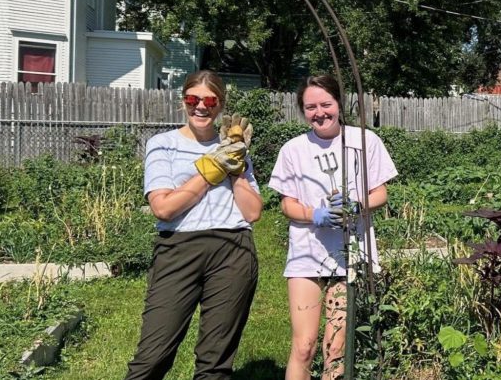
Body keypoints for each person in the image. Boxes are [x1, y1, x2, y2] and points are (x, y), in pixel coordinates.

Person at [126, 70, 263, 380]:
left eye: (210, 100)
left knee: (215, 363)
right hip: (179, 249)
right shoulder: (164, 144)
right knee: (153, 356)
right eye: (192, 99)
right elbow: (163, 207)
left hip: (233, 249)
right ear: (182, 101)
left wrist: (237, 167)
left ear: (221, 104)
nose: (201, 107)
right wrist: (211, 168)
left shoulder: (233, 145)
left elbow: (253, 212)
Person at [269, 74, 398, 380]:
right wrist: (316, 215)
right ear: (303, 110)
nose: (319, 112)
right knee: (304, 346)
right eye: (310, 106)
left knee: (336, 344)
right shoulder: (293, 150)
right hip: (306, 253)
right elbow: (286, 204)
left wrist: (356, 204)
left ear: (339, 104)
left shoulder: (364, 142)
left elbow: (380, 193)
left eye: (326, 104)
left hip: (348, 254)